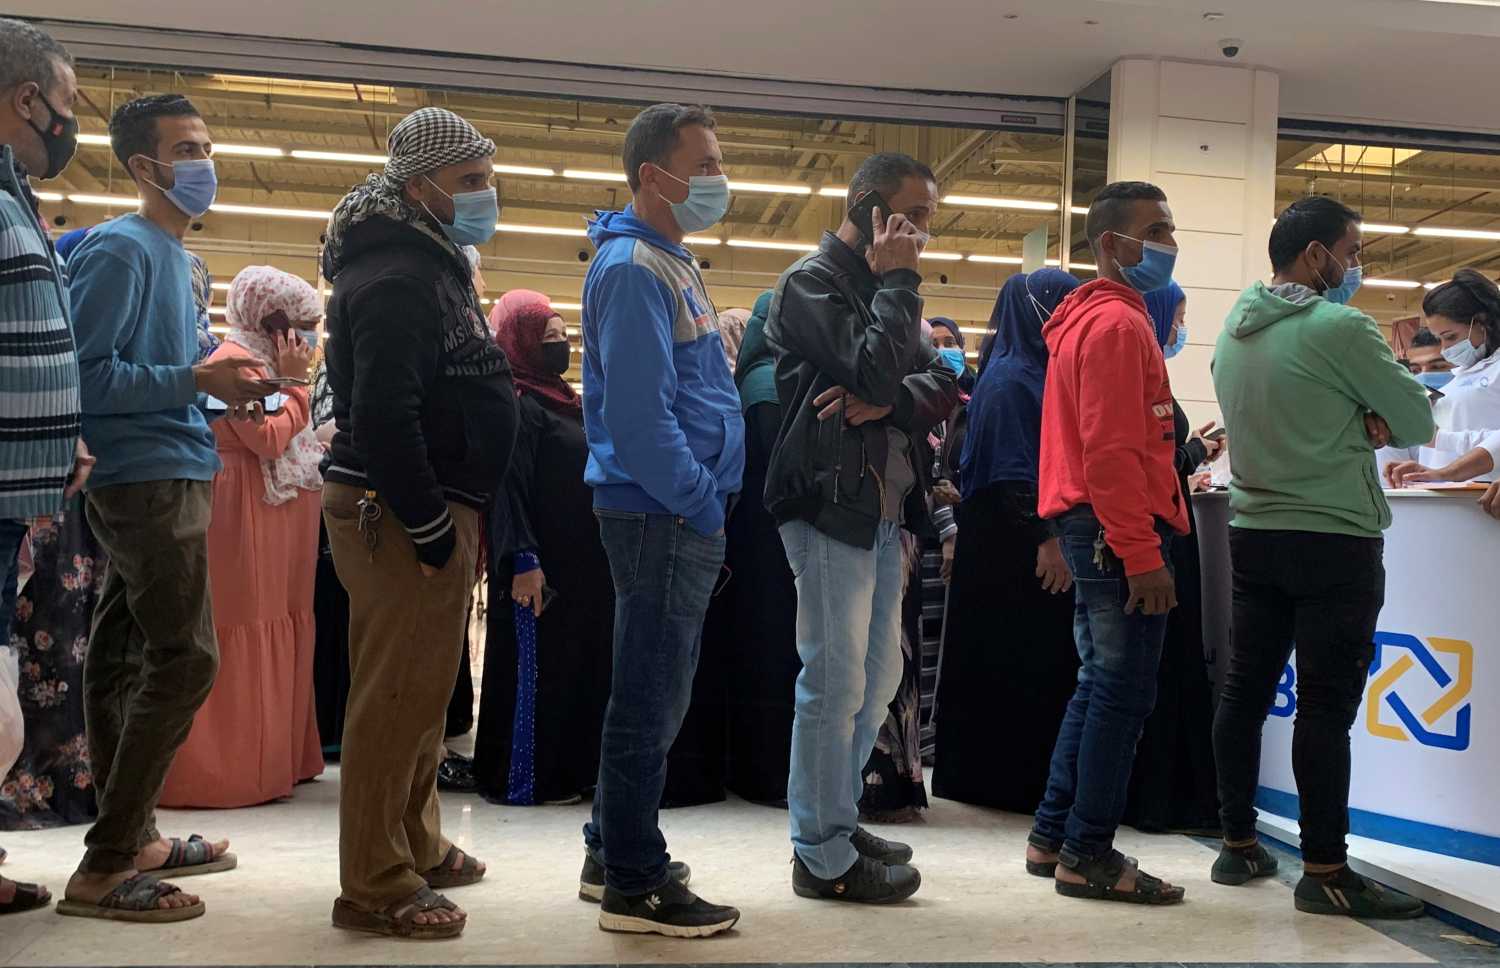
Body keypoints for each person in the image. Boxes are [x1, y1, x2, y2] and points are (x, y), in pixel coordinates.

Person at [64, 93, 272, 923]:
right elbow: (85, 377)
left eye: (208, 145)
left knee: (120, 654)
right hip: (141, 476)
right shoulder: (119, 249)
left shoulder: (181, 261)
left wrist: (231, 394)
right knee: (187, 659)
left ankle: (134, 833)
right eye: (186, 148)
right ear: (143, 165)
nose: (203, 162)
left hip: (174, 464)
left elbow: (178, 364)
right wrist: (196, 382)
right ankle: (110, 862)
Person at [321, 106, 516, 940]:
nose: (485, 193)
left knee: (423, 695)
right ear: (419, 185)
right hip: (399, 513)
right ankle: (373, 882)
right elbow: (386, 416)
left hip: (425, 510)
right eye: (470, 180)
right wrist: (433, 526)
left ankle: (417, 841)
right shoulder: (399, 274)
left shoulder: (428, 261)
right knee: (393, 699)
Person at [1211, 195, 1432, 919]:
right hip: (1334, 537)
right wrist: (1361, 418)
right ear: (1316, 256)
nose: (1356, 265)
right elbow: (1417, 419)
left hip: (1255, 532)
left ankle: (1238, 842)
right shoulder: (1340, 328)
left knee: (1244, 690)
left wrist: (1354, 414)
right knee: (1325, 708)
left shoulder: (1234, 331)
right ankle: (1326, 869)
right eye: (1353, 249)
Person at [764, 151, 958, 904]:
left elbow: (943, 380)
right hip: (827, 502)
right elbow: (876, 368)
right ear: (878, 212)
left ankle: (837, 822)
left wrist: (889, 400)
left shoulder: (881, 294)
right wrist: (901, 286)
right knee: (834, 678)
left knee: (875, 680)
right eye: (919, 218)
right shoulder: (813, 284)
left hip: (880, 509)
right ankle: (819, 850)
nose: (925, 236)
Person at [577, 102, 745, 939]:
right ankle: (635, 886)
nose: (718, 179)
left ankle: (612, 848)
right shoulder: (635, 268)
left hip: (669, 510)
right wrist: (702, 498)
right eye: (705, 163)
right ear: (653, 174)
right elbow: (643, 420)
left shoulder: (669, 261)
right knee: (650, 698)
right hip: (660, 513)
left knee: (650, 688)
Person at [1025, 180, 1189, 906]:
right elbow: (1115, 450)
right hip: (1114, 528)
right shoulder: (1120, 328)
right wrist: (1141, 551)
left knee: (1099, 686)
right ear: (1111, 245)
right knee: (1122, 695)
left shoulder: (1084, 323)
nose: (1168, 244)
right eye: (1155, 230)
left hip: (1087, 523)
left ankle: (1055, 834)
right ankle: (1087, 852)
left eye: (1170, 229)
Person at [159, 267, 325, 808]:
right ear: (277, 327)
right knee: (241, 627)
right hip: (242, 511)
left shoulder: (262, 363)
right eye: (304, 326)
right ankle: (229, 769)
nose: (311, 338)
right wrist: (297, 384)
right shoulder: (236, 364)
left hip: (271, 514)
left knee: (277, 622)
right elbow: (269, 438)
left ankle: (280, 756)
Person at [0, 17, 91, 917]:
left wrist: (62, 438)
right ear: (26, 100)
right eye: (64, 107)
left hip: (21, 485)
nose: (67, 126)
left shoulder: (14, 196)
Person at [932, 269, 1080, 813]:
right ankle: (1005, 782)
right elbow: (1013, 473)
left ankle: (1006, 776)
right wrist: (1046, 538)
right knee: (1017, 661)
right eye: (1061, 305)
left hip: (1007, 539)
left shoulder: (1028, 373)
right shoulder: (1015, 380)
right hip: (1013, 544)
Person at [473, 289, 613, 809]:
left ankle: (573, 770)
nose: (560, 346)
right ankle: (528, 779)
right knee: (539, 673)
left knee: (577, 666)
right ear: (522, 343)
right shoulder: (517, 403)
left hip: (584, 567)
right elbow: (507, 489)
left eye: (563, 336)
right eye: (547, 338)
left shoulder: (566, 400)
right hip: (542, 566)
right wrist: (523, 559)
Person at [1123, 282, 1221, 835]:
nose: (1181, 329)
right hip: (1155, 535)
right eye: (1178, 317)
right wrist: (1192, 453)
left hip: (1164, 524)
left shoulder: (1152, 372)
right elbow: (1138, 460)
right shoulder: (1134, 367)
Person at [711, 290, 801, 804]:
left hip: (746, 541)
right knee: (777, 654)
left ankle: (744, 765)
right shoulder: (773, 388)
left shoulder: (746, 384)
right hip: (777, 545)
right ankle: (771, 774)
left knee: (749, 650)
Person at [1385, 271, 1500, 487]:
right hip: (1447, 494)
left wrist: (1440, 441)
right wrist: (1429, 471)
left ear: (1482, 322)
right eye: (1440, 339)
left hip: (1482, 494)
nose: (1446, 349)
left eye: (1450, 337)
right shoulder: (1460, 375)